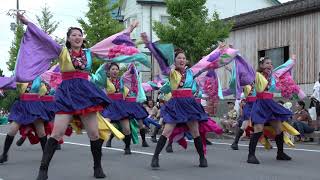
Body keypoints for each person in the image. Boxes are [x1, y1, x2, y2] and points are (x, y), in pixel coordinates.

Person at [15, 13, 142, 179]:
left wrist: (129, 29)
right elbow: (45, 39)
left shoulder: (90, 52)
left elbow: (111, 43)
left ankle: (97, 166)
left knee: (94, 134)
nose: (77, 37)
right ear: (68, 39)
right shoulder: (61, 51)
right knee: (56, 133)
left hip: (85, 93)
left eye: (79, 35)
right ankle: (43, 170)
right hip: (67, 93)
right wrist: (28, 23)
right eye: (73, 35)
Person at [247, 56, 294, 164]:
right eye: (267, 63)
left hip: (270, 104)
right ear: (261, 65)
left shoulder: (273, 76)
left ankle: (280, 153)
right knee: (258, 128)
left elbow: (283, 69)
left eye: (271, 63)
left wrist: (292, 61)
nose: (270, 65)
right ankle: (251, 155)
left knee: (279, 128)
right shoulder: (257, 75)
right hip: (260, 104)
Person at [0, 77, 55, 164]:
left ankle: (46, 156)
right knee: (12, 130)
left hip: (35, 105)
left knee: (41, 132)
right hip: (22, 106)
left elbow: (46, 90)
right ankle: (4, 154)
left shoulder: (39, 77)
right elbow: (10, 82)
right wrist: (3, 87)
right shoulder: (20, 76)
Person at [98, 62, 150, 153]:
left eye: (116, 69)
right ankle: (98, 147)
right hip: (110, 106)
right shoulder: (105, 80)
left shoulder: (122, 80)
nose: (115, 71)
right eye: (113, 69)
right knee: (104, 125)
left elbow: (131, 74)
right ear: (108, 71)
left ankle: (127, 147)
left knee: (126, 129)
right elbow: (97, 78)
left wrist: (132, 65)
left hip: (121, 106)